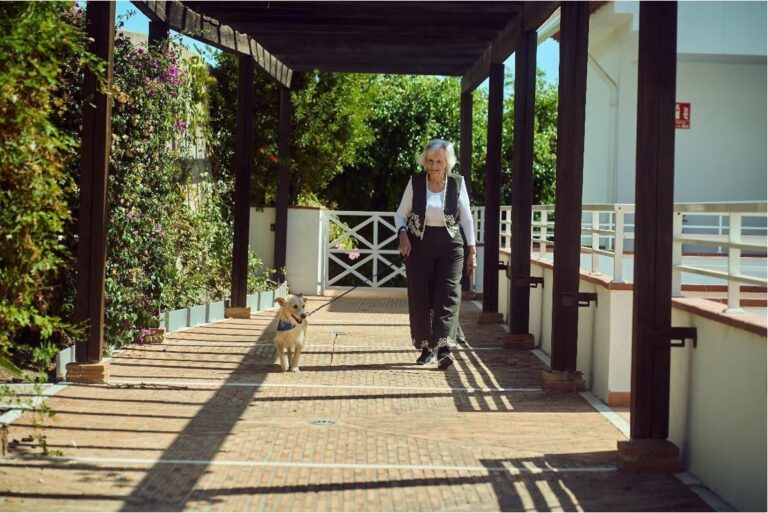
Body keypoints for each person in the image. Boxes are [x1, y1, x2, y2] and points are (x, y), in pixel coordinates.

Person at [395, 139, 476, 369]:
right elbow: (401, 214)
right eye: (430, 161)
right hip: (419, 244)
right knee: (421, 296)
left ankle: (444, 348)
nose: (434, 165)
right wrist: (403, 235)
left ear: (447, 162)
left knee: (448, 294)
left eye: (439, 161)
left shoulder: (457, 184)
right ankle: (426, 347)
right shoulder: (416, 183)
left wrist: (472, 251)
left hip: (451, 246)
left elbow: (467, 219)